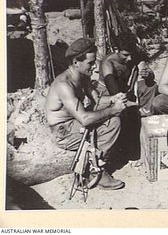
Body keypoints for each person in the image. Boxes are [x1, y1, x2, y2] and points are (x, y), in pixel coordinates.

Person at [45, 38, 127, 190]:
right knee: (113, 122)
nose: (95, 66)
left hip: (74, 122)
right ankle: (94, 171)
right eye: (90, 63)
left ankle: (96, 161)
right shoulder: (64, 85)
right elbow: (85, 119)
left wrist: (114, 99)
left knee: (113, 118)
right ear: (76, 62)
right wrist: (113, 109)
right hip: (64, 132)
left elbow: (97, 99)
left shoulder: (83, 77)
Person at [96, 32, 157, 116]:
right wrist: (131, 104)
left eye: (131, 54)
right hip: (108, 93)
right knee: (120, 108)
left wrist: (148, 73)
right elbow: (113, 91)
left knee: (150, 85)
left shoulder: (134, 56)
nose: (129, 58)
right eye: (125, 55)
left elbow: (150, 75)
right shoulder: (108, 63)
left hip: (125, 90)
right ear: (116, 49)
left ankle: (146, 112)